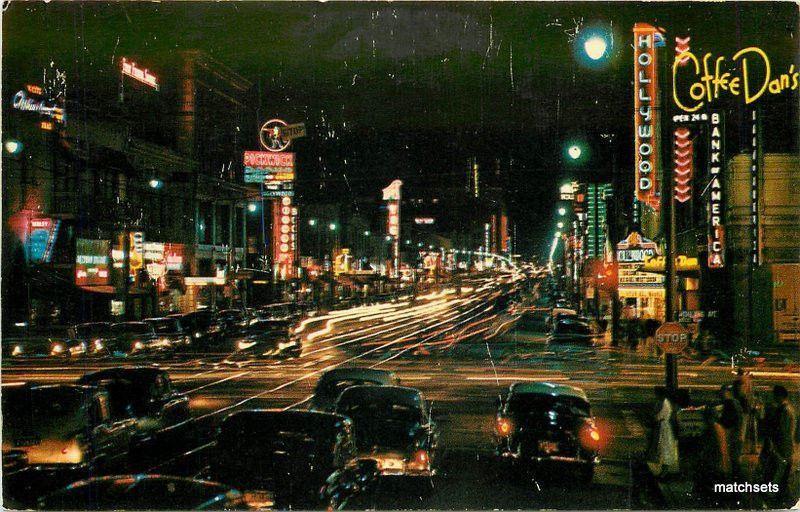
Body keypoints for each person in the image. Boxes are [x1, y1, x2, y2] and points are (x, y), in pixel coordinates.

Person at [760, 385, 796, 507]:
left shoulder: (785, 410)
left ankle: (782, 500)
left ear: (780, 395)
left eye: (775, 395)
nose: (773, 398)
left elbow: (783, 431)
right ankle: (783, 498)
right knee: (782, 475)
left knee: (780, 474)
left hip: (783, 448)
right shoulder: (787, 409)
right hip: (785, 447)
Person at [648, 387, 679, 476]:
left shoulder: (664, 403)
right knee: (663, 448)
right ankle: (662, 470)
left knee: (664, 449)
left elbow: (659, 415)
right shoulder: (663, 402)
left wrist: (655, 417)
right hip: (663, 427)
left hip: (664, 427)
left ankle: (664, 472)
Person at [718, 385, 744, 479]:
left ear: (727, 392)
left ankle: (736, 480)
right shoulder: (736, 402)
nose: (720, 395)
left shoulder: (729, 403)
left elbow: (728, 420)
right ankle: (737, 479)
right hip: (737, 434)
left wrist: (718, 420)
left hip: (733, 434)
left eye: (722, 392)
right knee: (735, 458)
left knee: (733, 458)